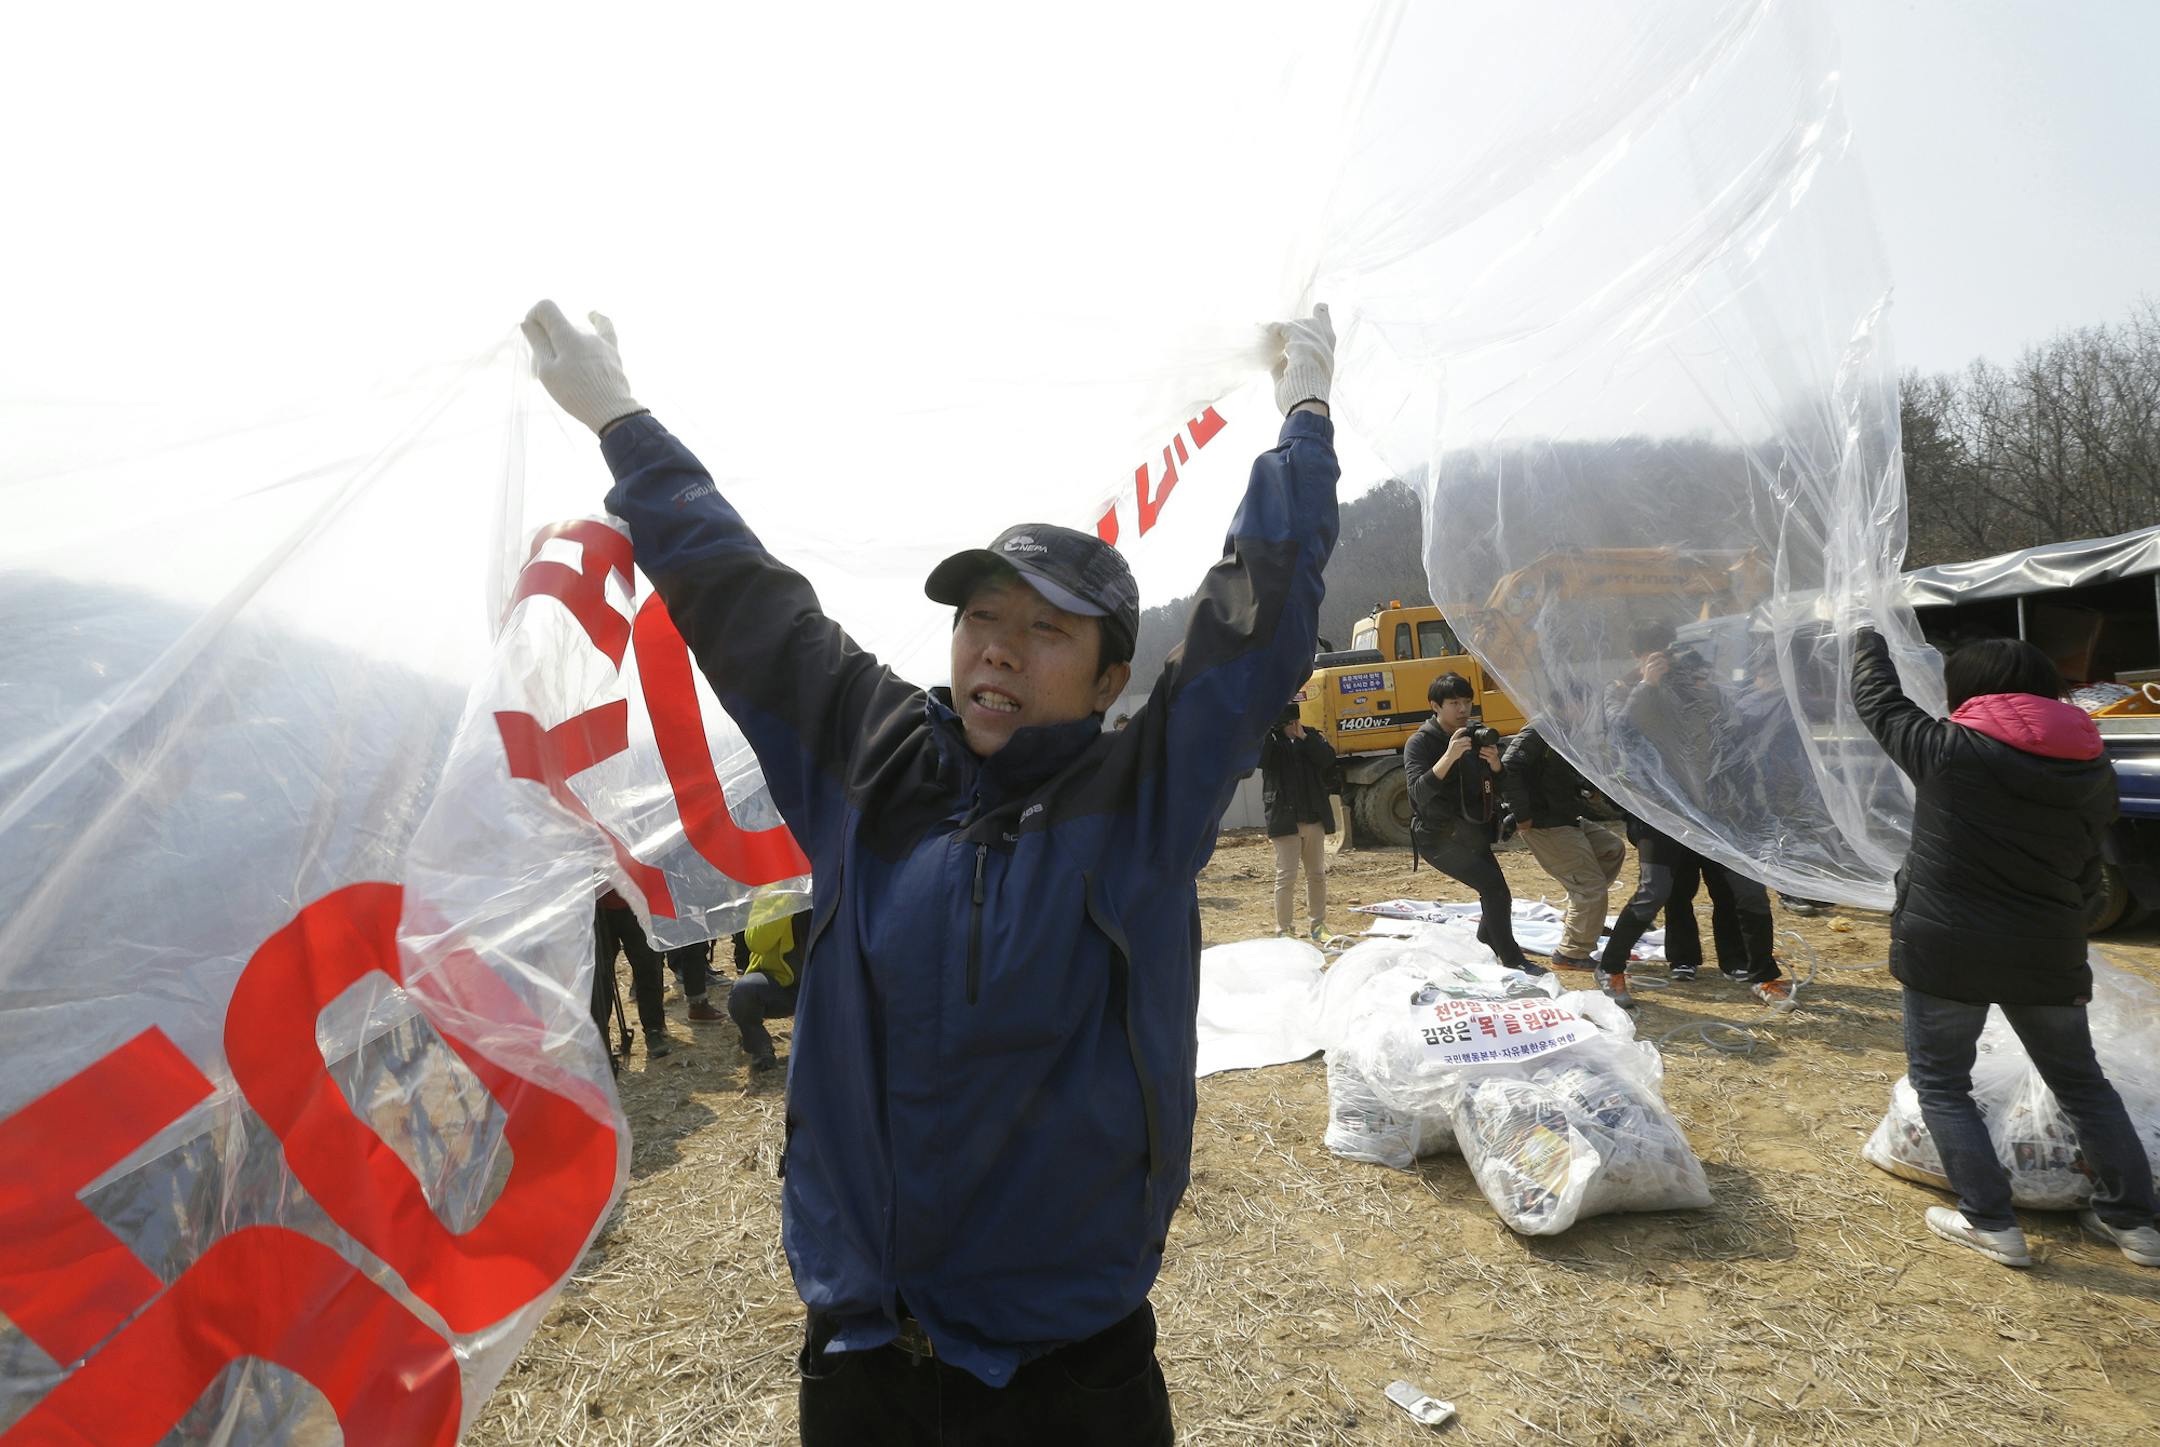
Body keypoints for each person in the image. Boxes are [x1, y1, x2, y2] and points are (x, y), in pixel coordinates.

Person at [522, 298, 1340, 1443]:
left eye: (1048, 630)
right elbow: (745, 599)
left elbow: (1257, 619)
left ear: (1110, 681)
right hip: (865, 1358)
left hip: (1067, 1373)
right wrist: (622, 420)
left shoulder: (1139, 801)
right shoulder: (872, 760)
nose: (999, 644)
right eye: (980, 616)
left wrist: (1303, 418)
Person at [1853, 627, 2160, 1269]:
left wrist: (1866, 640)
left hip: (1946, 948)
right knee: (2082, 1085)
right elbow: (2085, 872)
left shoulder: (1947, 750)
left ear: (1965, 691)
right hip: (2046, 950)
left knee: (1942, 1083)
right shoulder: (2091, 766)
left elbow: (1877, 701)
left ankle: (1990, 1222)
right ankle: (2133, 1224)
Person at [1597, 620, 1788, 1009]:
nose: (1694, 685)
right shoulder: (1647, 701)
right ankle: (1611, 967)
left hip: (1715, 813)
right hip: (1662, 813)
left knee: (1750, 891)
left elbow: (1738, 742)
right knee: (1657, 892)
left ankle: (1764, 976)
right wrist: (1648, 686)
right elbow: (1621, 728)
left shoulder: (1711, 700)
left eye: (1698, 677)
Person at [1404, 673, 1539, 974]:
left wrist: (1495, 765)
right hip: (1438, 838)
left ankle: (1485, 946)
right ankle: (1513, 959)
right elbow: (1417, 795)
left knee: (1496, 893)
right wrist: (1449, 757)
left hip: (1473, 834)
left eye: (1467, 702)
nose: (1463, 710)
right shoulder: (1421, 743)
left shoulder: (1477, 736)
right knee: (1495, 890)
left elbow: (1502, 784)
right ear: (1435, 706)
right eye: (1454, 703)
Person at [1500, 722, 1625, 970]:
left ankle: (1583, 918)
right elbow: (1509, 767)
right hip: (1545, 824)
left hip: (1566, 818)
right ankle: (1572, 952)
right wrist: (1522, 815)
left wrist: (1584, 787)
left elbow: (1560, 773)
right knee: (1590, 886)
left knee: (1611, 849)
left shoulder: (1565, 732)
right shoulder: (1538, 731)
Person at [1258, 704, 1340, 940]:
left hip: (1313, 817)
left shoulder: (1311, 737)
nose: (1292, 728)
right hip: (1284, 819)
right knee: (1286, 876)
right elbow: (1260, 761)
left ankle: (1318, 925)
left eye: (1295, 723)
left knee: (1316, 874)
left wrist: (1305, 738)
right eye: (1287, 724)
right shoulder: (1270, 741)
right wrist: (1268, 733)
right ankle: (1284, 929)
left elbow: (1327, 760)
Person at [728, 893, 811, 1076]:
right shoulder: (774, 891)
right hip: (782, 987)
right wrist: (790, 901)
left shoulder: (833, 888)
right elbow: (756, 942)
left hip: (824, 987)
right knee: (743, 993)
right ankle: (760, 1047)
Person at [592, 890, 673, 1060]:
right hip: (596, 907)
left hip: (637, 902)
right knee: (599, 977)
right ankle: (599, 1038)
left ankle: (654, 1030)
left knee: (649, 967)